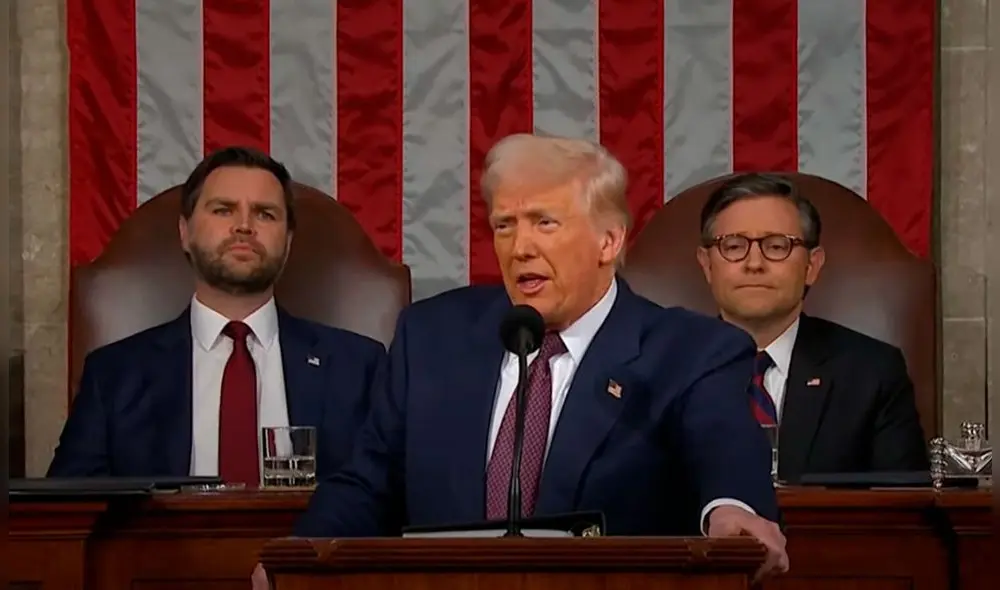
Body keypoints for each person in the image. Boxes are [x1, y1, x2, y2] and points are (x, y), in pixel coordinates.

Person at [259, 134, 787, 584]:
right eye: (505, 225)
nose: (519, 248)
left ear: (608, 241)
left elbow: (723, 451)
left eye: (544, 223)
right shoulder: (432, 337)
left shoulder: (688, 350)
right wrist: (298, 557)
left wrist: (732, 510)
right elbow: (367, 482)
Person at [48, 146, 386, 485]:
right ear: (185, 232)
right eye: (223, 210)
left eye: (265, 214)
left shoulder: (359, 368)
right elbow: (68, 508)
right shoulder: (114, 375)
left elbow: (390, 495)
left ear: (288, 241)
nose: (244, 226)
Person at [695, 173, 929, 483]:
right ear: (707, 264)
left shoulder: (872, 373)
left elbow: (903, 505)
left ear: (812, 266)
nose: (754, 263)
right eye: (734, 246)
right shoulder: (660, 370)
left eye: (776, 246)